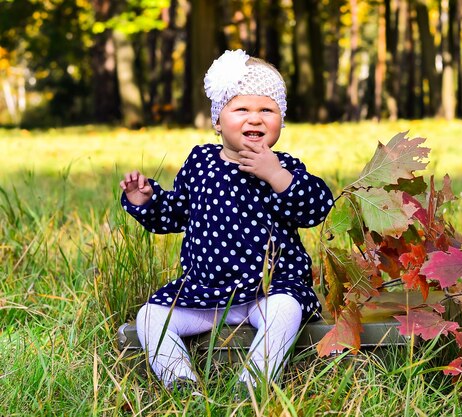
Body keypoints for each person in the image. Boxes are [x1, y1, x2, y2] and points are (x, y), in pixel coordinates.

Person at [119, 49, 334, 390]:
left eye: (268, 109)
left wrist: (276, 175)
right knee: (150, 316)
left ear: (281, 120)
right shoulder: (200, 163)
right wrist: (146, 200)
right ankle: (180, 382)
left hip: (269, 289)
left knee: (286, 312)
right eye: (242, 109)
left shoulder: (284, 167)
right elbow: (178, 214)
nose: (255, 118)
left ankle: (252, 383)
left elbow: (317, 208)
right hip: (206, 293)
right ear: (218, 120)